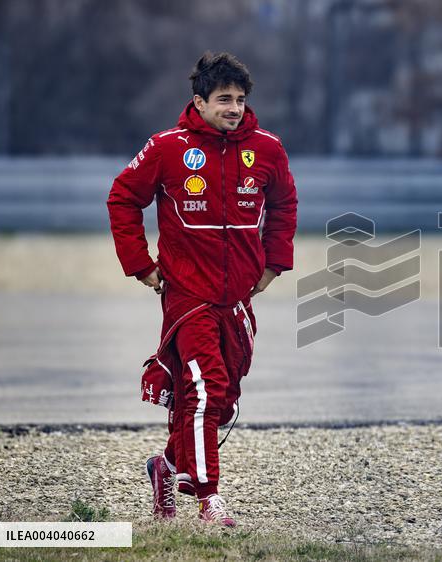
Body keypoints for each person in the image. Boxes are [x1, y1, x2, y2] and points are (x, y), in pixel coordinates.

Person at [107, 52, 298, 527]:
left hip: (238, 299)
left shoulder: (268, 149)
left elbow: (285, 204)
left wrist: (274, 263)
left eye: (240, 99)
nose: (233, 108)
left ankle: (166, 466)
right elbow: (122, 197)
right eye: (223, 99)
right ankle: (208, 497)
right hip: (187, 295)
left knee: (223, 397)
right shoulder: (167, 147)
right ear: (199, 102)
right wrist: (140, 265)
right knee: (203, 388)